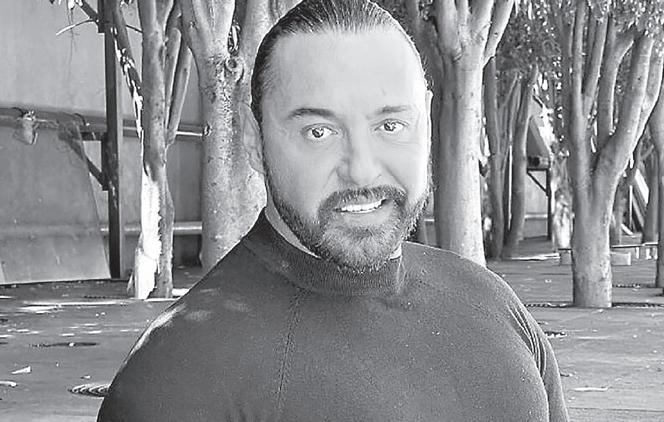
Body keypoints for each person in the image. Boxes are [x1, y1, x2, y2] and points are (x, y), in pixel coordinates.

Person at [98, 0, 569, 420]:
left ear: (425, 121)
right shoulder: (177, 379)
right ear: (253, 140)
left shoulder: (496, 308)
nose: (361, 170)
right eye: (318, 132)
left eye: (391, 125)